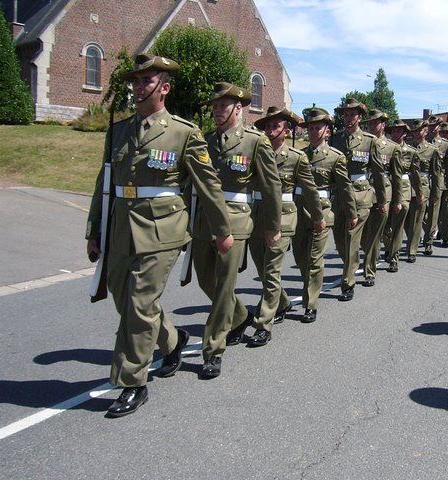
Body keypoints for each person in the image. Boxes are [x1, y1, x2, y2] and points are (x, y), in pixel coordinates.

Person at [85, 54, 233, 417]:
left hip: (162, 230)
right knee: (126, 301)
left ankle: (132, 382)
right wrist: (94, 229)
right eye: (135, 81)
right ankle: (173, 339)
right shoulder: (118, 131)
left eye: (146, 80)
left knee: (138, 306)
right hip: (121, 227)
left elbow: (208, 185)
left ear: (164, 88)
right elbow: (105, 184)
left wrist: (221, 229)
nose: (138, 86)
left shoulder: (183, 132)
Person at [192, 82, 281, 378]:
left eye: (223, 106)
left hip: (238, 221)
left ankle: (213, 350)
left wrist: (272, 227)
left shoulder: (255, 142)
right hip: (204, 221)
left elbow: (271, 188)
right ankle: (241, 317)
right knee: (206, 281)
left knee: (222, 288)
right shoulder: (204, 141)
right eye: (215, 106)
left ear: (238, 108)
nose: (217, 111)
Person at [246, 107, 325, 345]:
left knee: (271, 270)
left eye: (275, 126)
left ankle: (264, 323)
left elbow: (310, 190)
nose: (270, 131)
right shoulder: (255, 151)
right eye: (267, 127)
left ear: (286, 130)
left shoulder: (295, 157)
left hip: (284, 216)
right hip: (257, 215)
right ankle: (282, 302)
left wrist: (318, 216)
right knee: (261, 269)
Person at [293, 108, 355, 322]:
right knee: (300, 257)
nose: (312, 131)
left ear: (327, 131)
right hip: (299, 211)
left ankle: (310, 304)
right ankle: (308, 288)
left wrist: (351, 213)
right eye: (310, 127)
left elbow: (345, 188)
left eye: (317, 127)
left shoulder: (335, 158)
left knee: (314, 259)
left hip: (323, 211)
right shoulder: (299, 155)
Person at [331, 98, 386, 301]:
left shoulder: (369, 141)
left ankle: (348, 282)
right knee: (339, 240)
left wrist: (381, 201)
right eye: (345, 114)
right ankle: (352, 264)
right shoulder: (335, 139)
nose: (348, 118)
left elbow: (379, 174)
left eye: (352, 114)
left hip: (361, 195)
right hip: (339, 196)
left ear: (360, 117)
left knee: (352, 238)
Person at [360, 108, 401, 286]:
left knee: (377, 234)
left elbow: (397, 176)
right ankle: (370, 259)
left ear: (383, 125)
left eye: (375, 122)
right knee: (362, 235)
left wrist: (397, 200)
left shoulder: (392, 148)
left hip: (382, 193)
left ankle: (370, 271)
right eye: (369, 123)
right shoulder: (362, 143)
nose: (371, 125)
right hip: (363, 193)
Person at [385, 119, 421, 272]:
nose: (395, 133)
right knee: (384, 227)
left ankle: (394, 259)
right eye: (393, 131)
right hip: (387, 188)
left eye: (398, 131)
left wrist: (419, 193)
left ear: (405, 133)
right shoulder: (385, 148)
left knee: (398, 226)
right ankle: (390, 248)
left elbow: (416, 175)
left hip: (404, 190)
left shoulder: (412, 152)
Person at [423, 116, 448, 256]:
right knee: (423, 214)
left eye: (434, 125)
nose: (432, 128)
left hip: (440, 183)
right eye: (429, 126)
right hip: (424, 183)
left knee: (440, 214)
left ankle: (436, 240)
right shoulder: (422, 144)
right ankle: (428, 238)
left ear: (439, 127)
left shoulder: (446, 145)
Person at [405, 119, 437, 262]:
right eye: (415, 131)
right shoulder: (407, 148)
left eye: (420, 130)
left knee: (417, 220)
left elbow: (436, 173)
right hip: (406, 186)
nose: (417, 133)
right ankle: (415, 240)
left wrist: (435, 193)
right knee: (406, 220)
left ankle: (412, 250)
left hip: (423, 187)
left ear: (426, 131)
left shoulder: (432, 150)